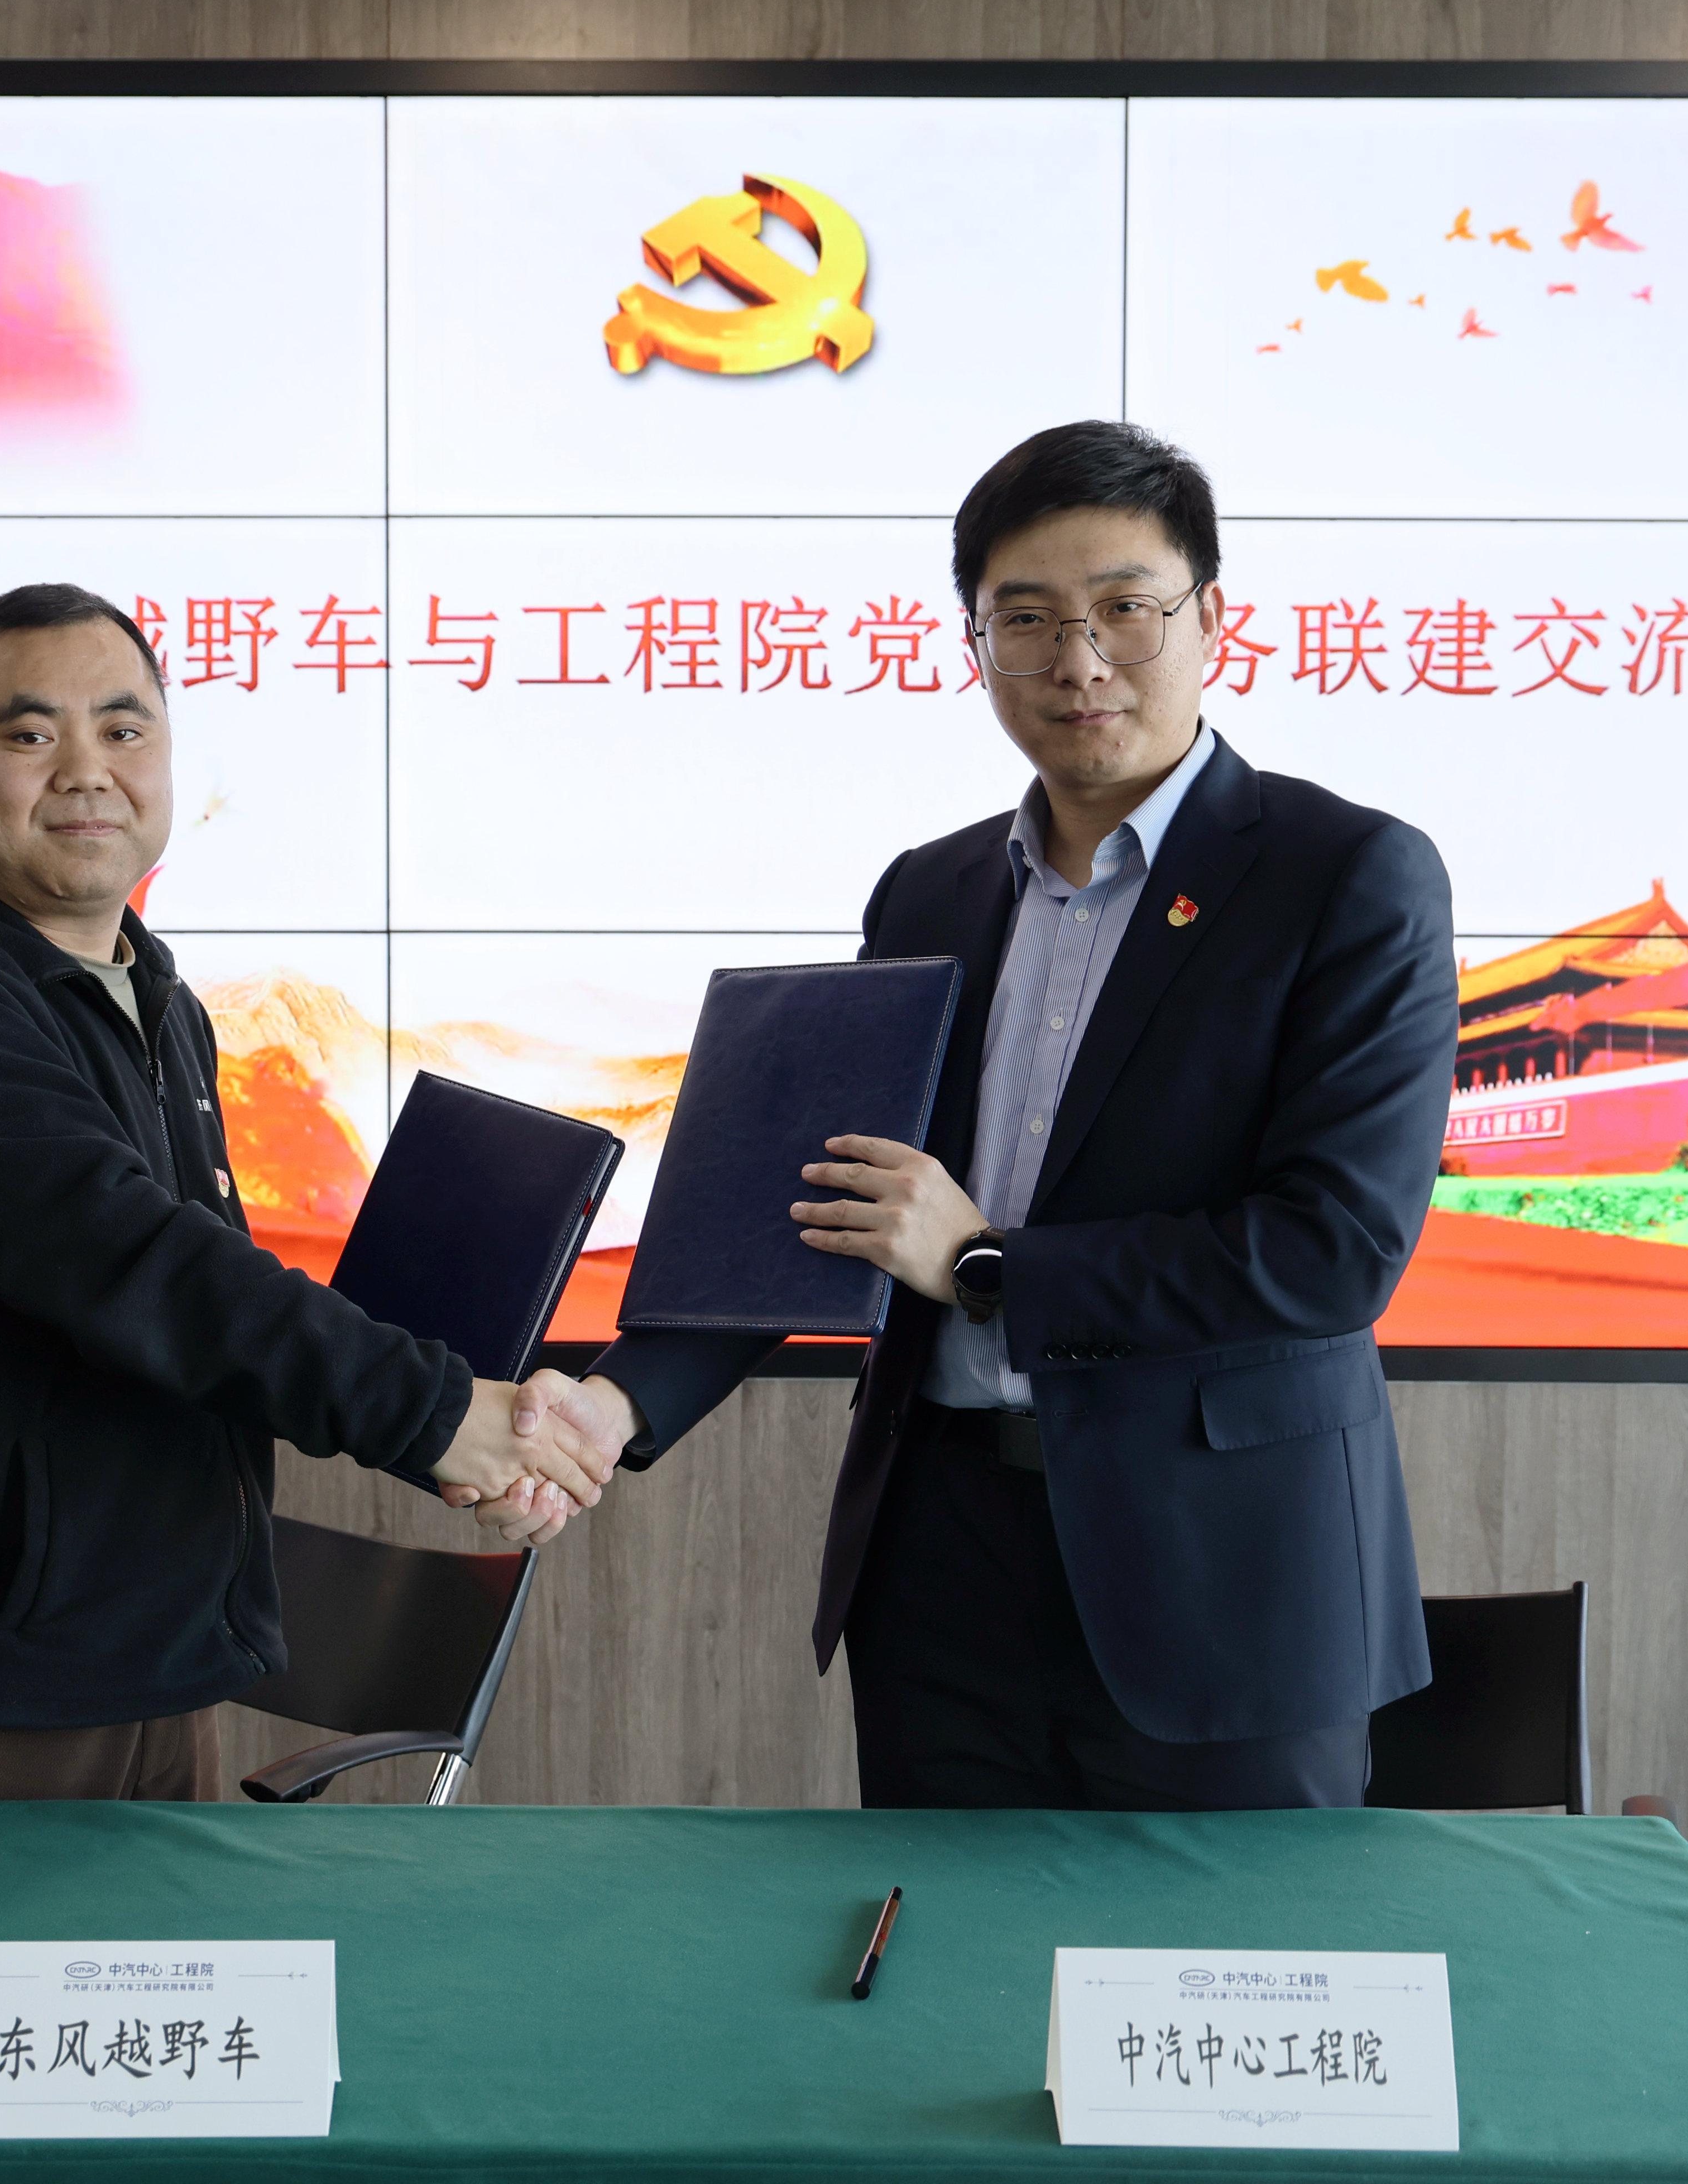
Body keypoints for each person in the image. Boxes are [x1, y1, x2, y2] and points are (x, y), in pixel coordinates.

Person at [502, 421, 1461, 1811]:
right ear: (977, 642)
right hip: (942, 1568)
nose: (1080, 659)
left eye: (1126, 608)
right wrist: (610, 1405)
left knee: (1223, 1954)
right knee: (941, 1947)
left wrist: (983, 1263)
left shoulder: (1348, 875)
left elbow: (1333, 1249)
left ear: (1213, 619)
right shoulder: (929, 891)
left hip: (1223, 1578)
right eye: (1029, 619)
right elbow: (825, 1201)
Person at [0, 582, 616, 1802]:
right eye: (30, 732)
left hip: (155, 1661)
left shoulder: (156, 998)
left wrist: (457, 1441)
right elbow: (144, 1268)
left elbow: (207, 1320)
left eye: (124, 729)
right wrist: (441, 1416)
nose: (86, 770)